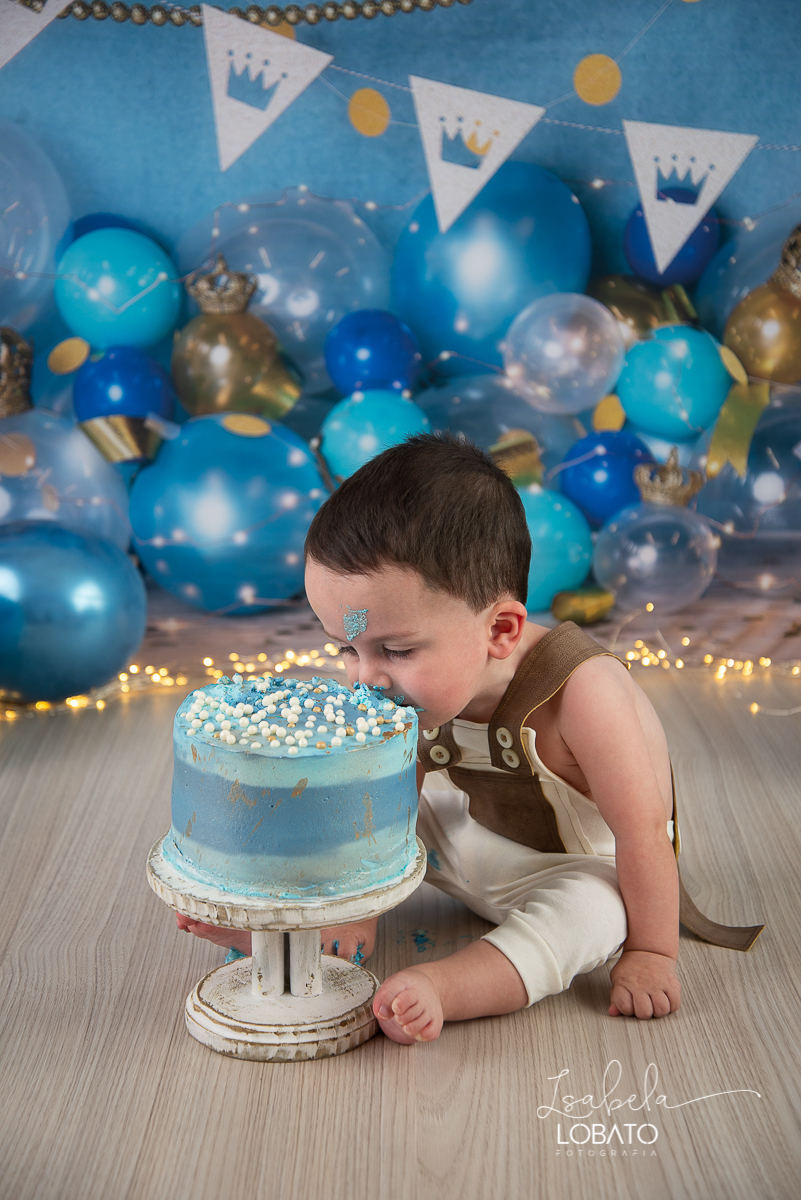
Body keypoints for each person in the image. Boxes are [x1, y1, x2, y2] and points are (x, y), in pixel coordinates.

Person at [178, 432, 761, 1044]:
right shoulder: (417, 687)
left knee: (595, 910)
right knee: (363, 818)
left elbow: (645, 833)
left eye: (395, 650)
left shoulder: (585, 694)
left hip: (573, 867)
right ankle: (302, 934)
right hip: (473, 843)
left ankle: (451, 986)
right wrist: (367, 897)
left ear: (501, 630)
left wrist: (652, 953)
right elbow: (398, 804)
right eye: (346, 649)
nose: (366, 679)